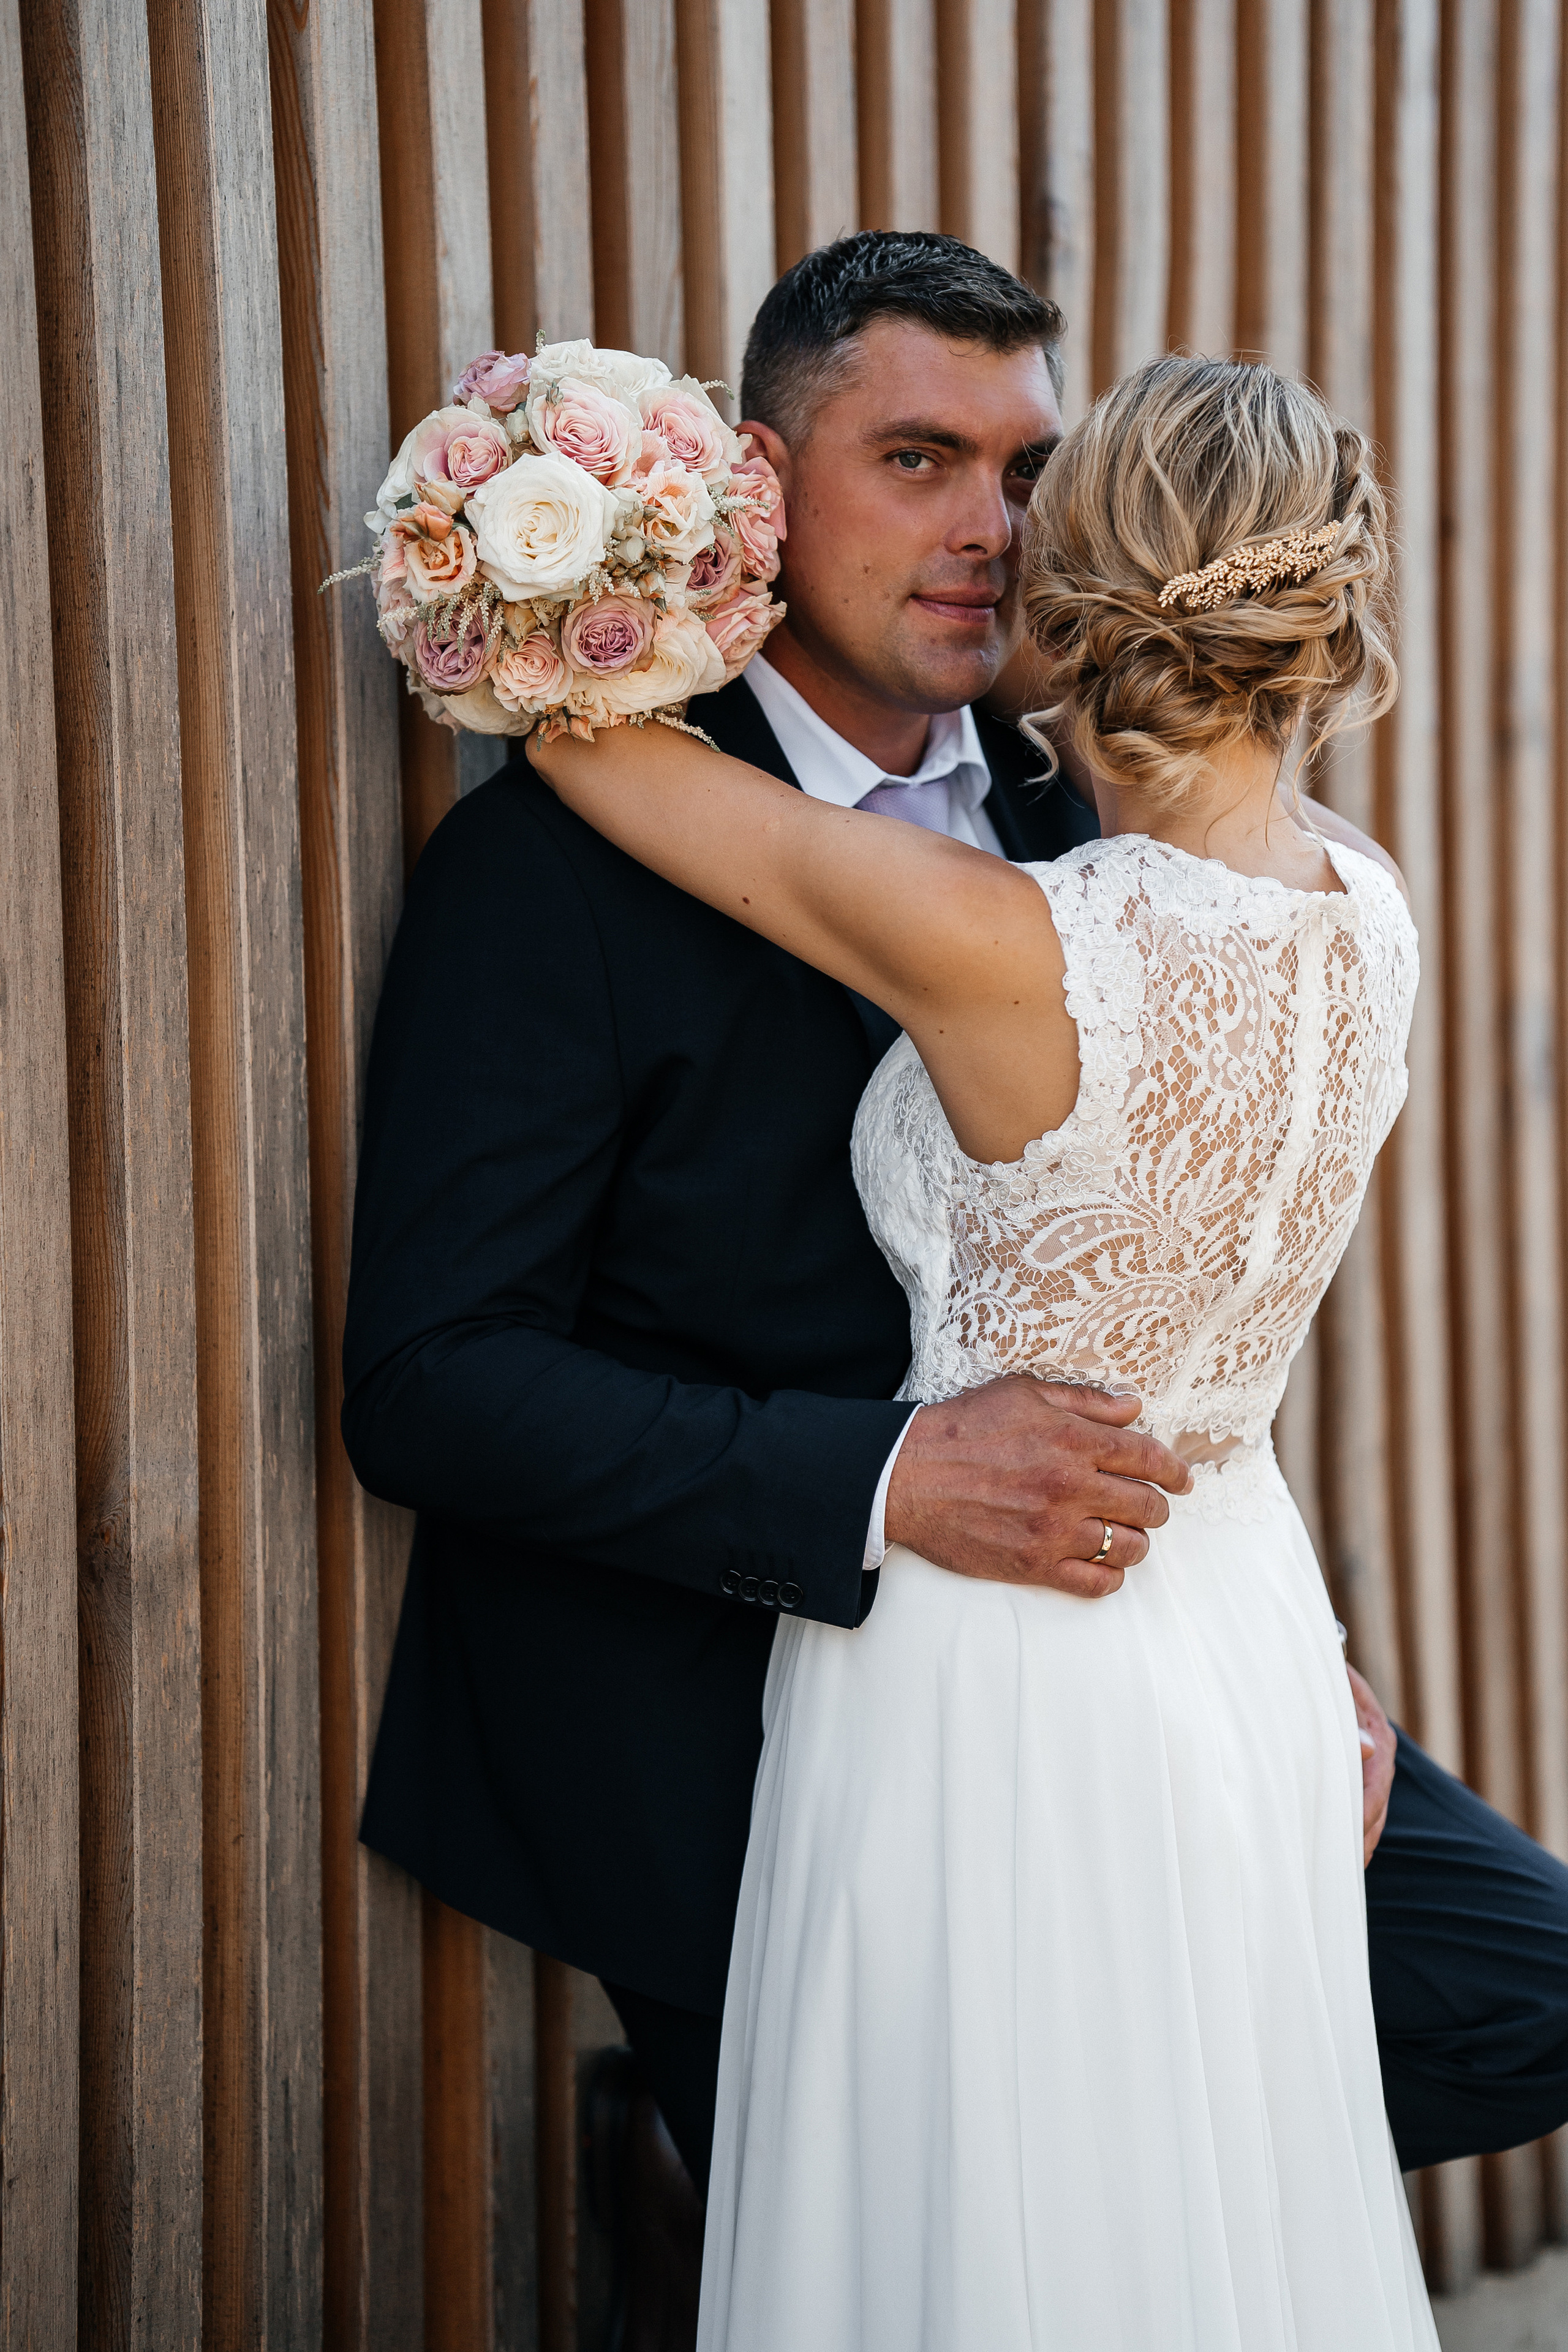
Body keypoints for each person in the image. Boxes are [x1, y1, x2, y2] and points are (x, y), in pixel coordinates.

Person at [344, 234, 1568, 2281]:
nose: (988, 528)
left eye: (1024, 470)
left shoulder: (1089, 817)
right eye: (919, 458)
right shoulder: (550, 876)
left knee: (1519, 1984)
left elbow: (1172, 1261)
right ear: (754, 486)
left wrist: (1276, 1651)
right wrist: (895, 1483)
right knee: (927, 2212)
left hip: (1121, 1629)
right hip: (722, 1667)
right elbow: (432, 1378)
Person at [527, 350, 1436, 2346]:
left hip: (999, 1655)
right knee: (1198, 2188)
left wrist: (560, 513)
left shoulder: (1008, 940)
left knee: (980, 2206)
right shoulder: (1371, 912)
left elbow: (590, 747)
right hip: (1238, 1626)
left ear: (1066, 591)